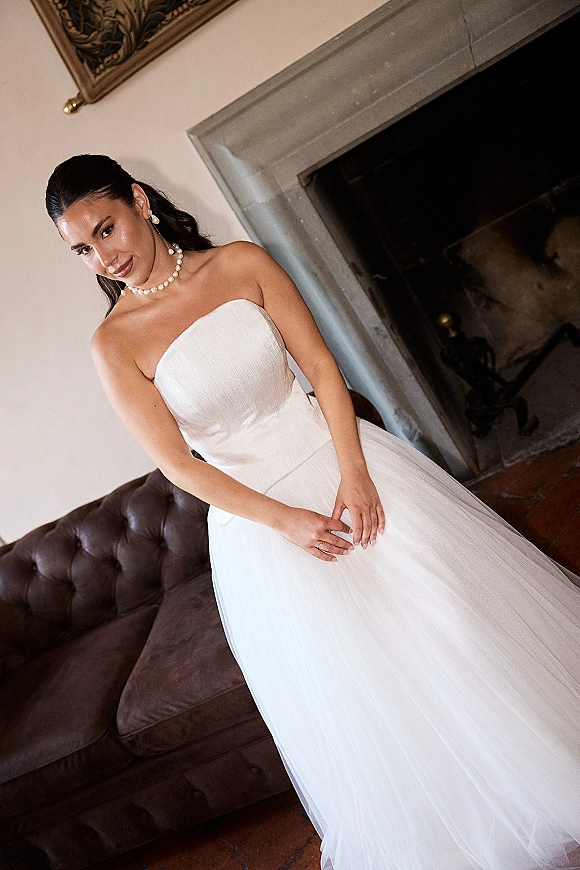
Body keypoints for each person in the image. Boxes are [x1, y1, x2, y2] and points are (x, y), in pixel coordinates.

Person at [46, 154, 580, 870]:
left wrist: (355, 472)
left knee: (454, 619)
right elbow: (180, 465)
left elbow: (324, 369)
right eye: (82, 249)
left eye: (106, 229)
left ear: (139, 201)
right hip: (265, 528)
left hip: (341, 463)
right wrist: (285, 522)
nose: (104, 258)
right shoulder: (113, 344)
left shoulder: (240, 263)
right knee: (374, 690)